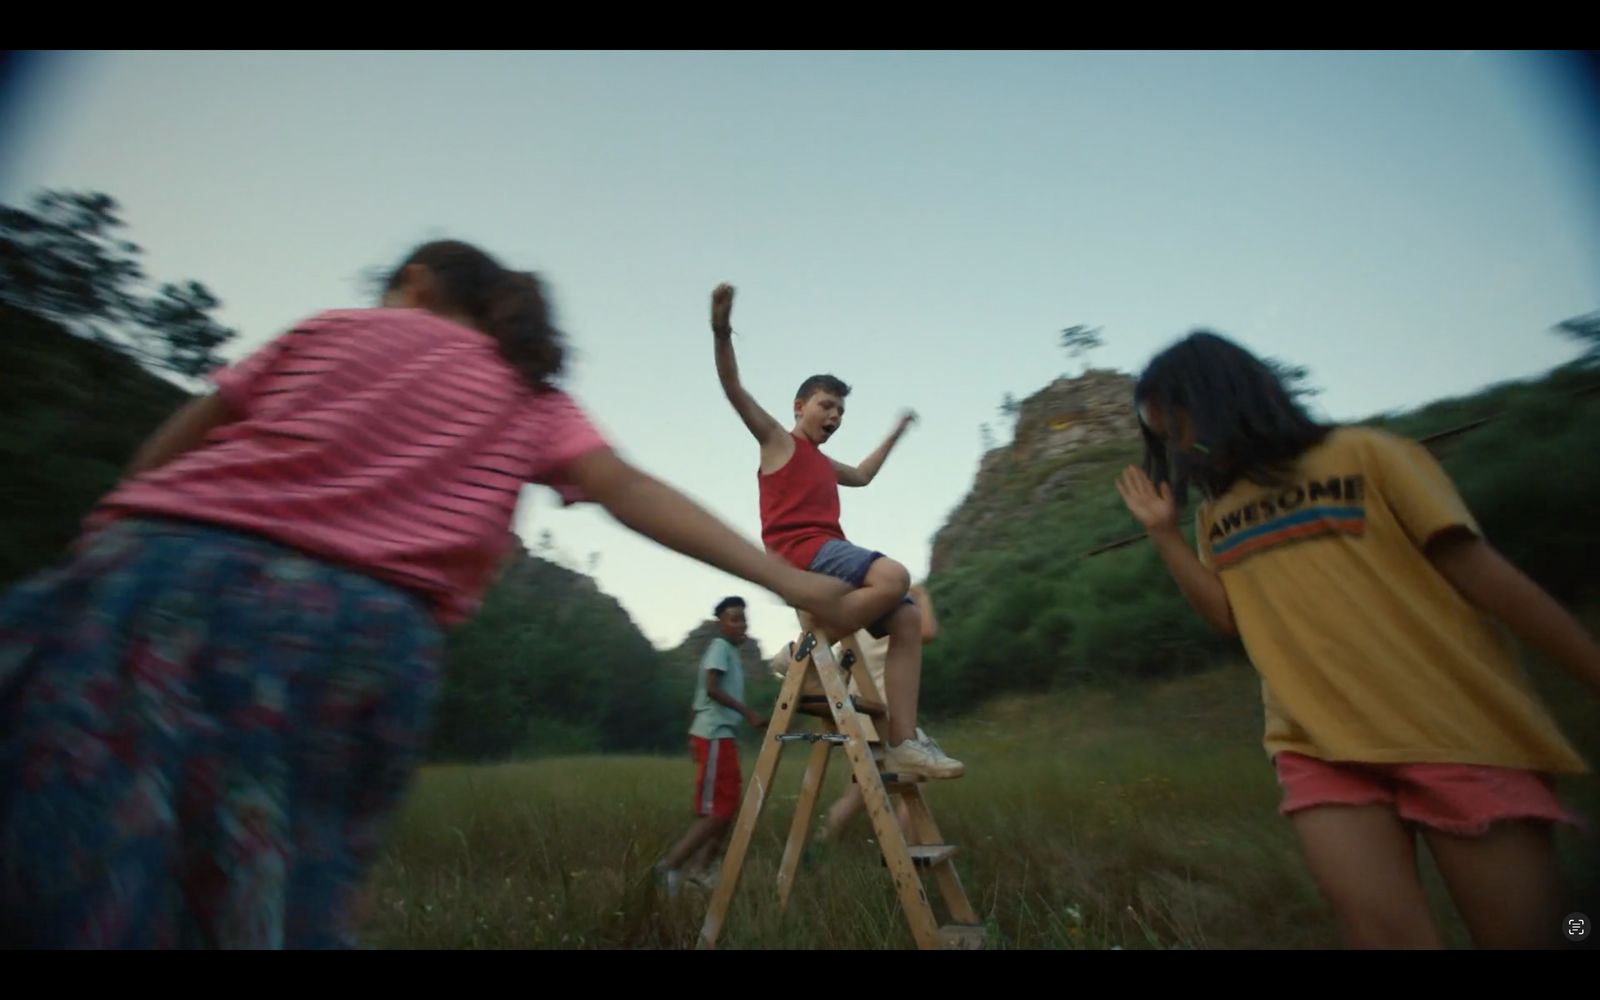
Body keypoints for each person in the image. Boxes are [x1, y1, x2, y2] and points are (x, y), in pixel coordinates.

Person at [0, 239, 848, 948]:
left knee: (50, 848)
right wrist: (783, 576)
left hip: (142, 578)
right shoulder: (529, 394)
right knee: (264, 894)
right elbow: (626, 489)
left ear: (415, 283)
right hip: (351, 633)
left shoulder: (326, 330)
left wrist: (108, 554)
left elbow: (167, 453)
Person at [1115, 330, 1597, 949]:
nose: (1181, 449)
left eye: (1179, 427)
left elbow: (1487, 578)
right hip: (1312, 741)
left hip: (1452, 725)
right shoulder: (1217, 514)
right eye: (1165, 438)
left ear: (1222, 399)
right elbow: (1232, 618)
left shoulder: (1366, 454)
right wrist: (1165, 535)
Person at [707, 283, 961, 781]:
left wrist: (896, 432)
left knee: (907, 619)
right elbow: (735, 389)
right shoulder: (779, 442)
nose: (834, 416)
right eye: (826, 405)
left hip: (830, 551)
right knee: (896, 577)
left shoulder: (824, 463)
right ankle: (811, 640)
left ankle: (903, 742)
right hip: (799, 554)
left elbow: (863, 475)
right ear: (799, 406)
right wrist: (721, 328)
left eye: (840, 411)